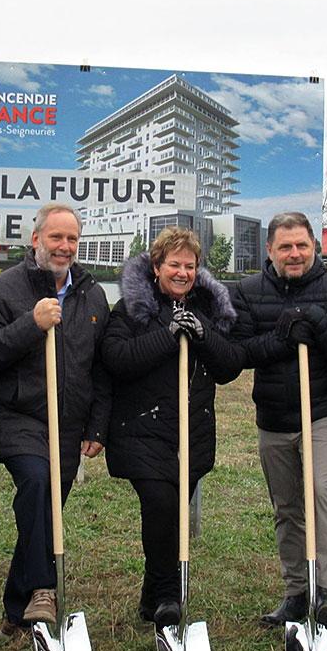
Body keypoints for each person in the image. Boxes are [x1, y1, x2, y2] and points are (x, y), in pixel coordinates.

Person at [0, 203, 111, 635]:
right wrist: (31, 324)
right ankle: (44, 589)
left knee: (46, 511)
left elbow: (101, 368)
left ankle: (18, 608)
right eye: (56, 237)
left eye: (72, 239)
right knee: (36, 485)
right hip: (16, 415)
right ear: (36, 240)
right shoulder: (4, 290)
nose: (65, 247)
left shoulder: (92, 294)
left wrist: (97, 425)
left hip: (68, 422)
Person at [101, 227, 242, 625]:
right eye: (174, 264)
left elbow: (230, 366)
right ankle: (167, 596)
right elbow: (116, 358)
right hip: (143, 431)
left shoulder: (210, 309)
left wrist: (203, 334)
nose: (182, 272)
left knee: (173, 514)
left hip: (191, 434)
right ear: (157, 266)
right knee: (161, 506)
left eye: (190, 266)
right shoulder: (132, 307)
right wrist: (167, 336)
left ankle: (152, 596)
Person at [231, 211, 327, 628]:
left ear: (313, 247)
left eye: (302, 245)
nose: (294, 253)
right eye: (285, 246)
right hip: (274, 415)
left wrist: (318, 322)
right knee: (287, 506)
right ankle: (296, 591)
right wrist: (281, 338)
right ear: (270, 250)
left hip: (322, 411)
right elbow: (241, 353)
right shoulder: (248, 291)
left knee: (320, 490)